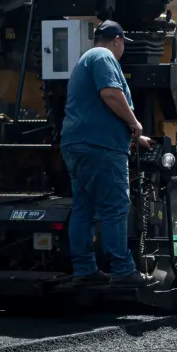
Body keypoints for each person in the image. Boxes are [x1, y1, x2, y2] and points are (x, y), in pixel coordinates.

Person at [60, 20, 153, 287]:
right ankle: (123, 269)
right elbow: (111, 94)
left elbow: (96, 107)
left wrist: (136, 137)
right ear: (117, 40)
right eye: (123, 44)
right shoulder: (103, 56)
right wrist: (134, 123)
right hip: (100, 148)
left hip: (78, 146)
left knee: (84, 208)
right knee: (115, 207)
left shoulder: (84, 60)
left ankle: (84, 268)